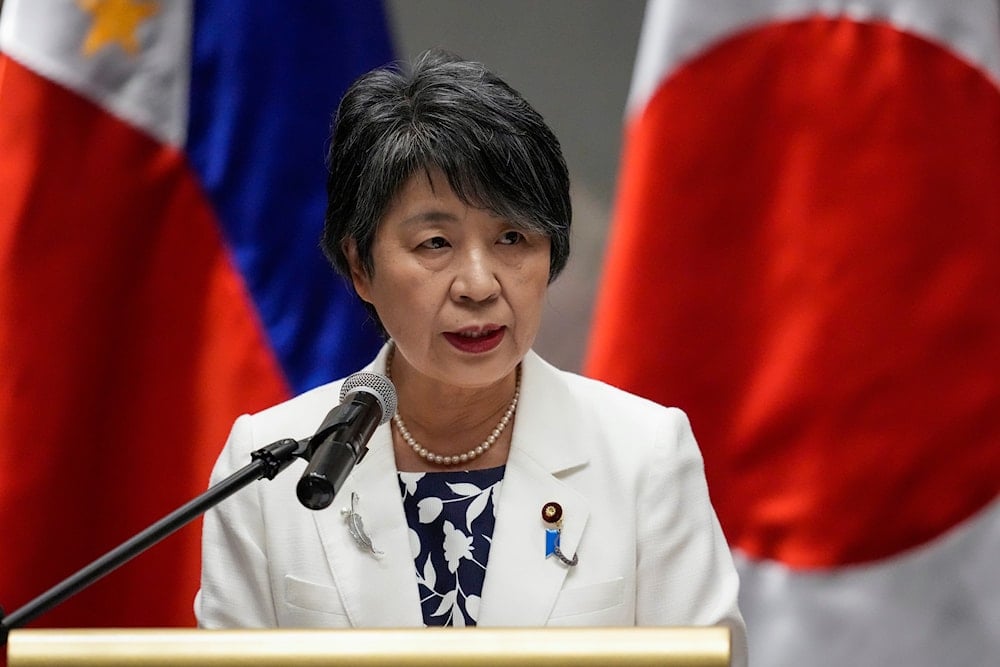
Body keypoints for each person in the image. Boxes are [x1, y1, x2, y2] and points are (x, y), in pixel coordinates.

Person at [195, 49, 747, 665]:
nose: (479, 284)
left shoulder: (643, 454)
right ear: (361, 266)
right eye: (436, 243)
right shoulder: (269, 465)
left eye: (513, 238)